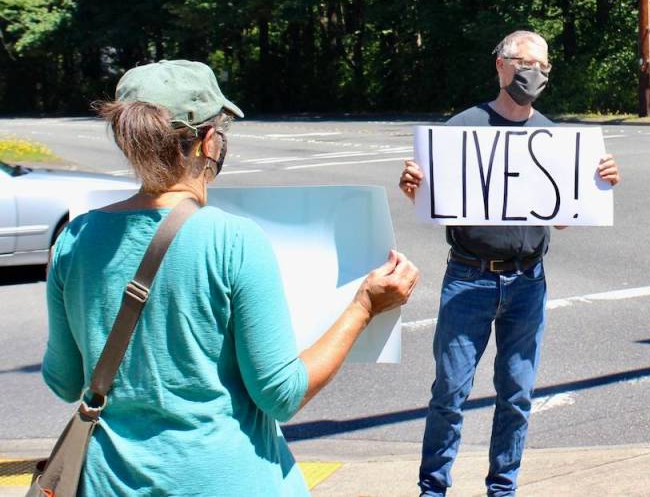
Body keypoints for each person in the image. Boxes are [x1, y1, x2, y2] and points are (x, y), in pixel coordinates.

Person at [42, 59, 420, 496]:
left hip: (109, 483)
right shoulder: (231, 239)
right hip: (225, 479)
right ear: (208, 141)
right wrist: (365, 306)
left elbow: (64, 380)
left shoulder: (74, 238)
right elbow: (281, 394)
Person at [399, 31, 620, 497]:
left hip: (528, 281)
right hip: (469, 277)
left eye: (543, 67)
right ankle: (432, 489)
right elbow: (429, 194)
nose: (534, 75)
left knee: (517, 396)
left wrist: (598, 184)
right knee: (449, 393)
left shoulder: (554, 137)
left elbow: (561, 219)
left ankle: (503, 488)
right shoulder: (461, 128)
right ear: (500, 66)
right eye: (524, 63)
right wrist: (414, 184)